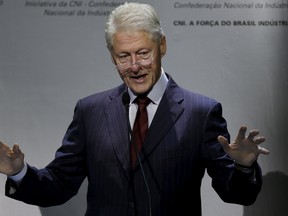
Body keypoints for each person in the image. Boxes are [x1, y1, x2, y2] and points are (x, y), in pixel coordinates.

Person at [0, 2, 269, 216]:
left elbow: (236, 194)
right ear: (112, 56)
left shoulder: (201, 112)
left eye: (143, 53)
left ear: (162, 45)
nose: (134, 66)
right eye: (123, 56)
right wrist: (19, 172)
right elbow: (59, 185)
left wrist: (244, 167)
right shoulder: (90, 111)